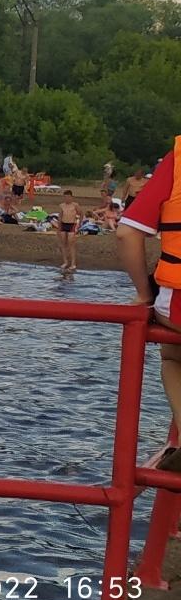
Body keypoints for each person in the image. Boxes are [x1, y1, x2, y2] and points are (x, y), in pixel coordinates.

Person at [120, 145, 181, 470]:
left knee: (173, 356)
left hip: (179, 300)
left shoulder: (178, 158)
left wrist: (144, 293)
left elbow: (126, 233)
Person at [57, 189, 81, 274]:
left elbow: (81, 214)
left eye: (68, 197)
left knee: (71, 244)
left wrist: (79, 224)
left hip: (72, 224)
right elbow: (60, 217)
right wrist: (59, 228)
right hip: (64, 224)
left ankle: (73, 263)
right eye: (65, 197)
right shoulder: (62, 205)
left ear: (71, 197)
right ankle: (65, 262)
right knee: (63, 244)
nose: (67, 199)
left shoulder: (75, 205)